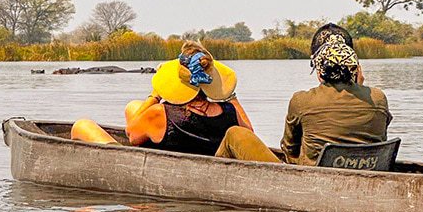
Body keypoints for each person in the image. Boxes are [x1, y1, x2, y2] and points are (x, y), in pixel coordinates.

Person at [214, 24, 392, 165]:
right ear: (355, 69)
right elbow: (378, 136)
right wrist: (359, 87)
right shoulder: (378, 98)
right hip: (367, 167)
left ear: (320, 72)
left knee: (234, 134)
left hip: (312, 179)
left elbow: (289, 150)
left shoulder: (302, 101)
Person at [70, 40, 253, 156]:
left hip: (158, 151)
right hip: (206, 150)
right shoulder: (229, 112)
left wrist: (156, 94)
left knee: (82, 125)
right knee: (133, 106)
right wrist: (229, 95)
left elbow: (131, 134)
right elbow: (249, 135)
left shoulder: (160, 113)